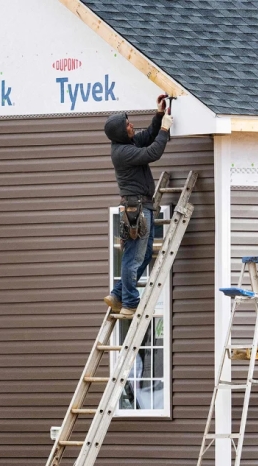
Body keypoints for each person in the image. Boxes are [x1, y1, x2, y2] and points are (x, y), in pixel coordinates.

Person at [102, 96, 173, 315]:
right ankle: (130, 304)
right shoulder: (123, 152)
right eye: (127, 125)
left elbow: (148, 136)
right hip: (137, 208)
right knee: (133, 258)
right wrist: (164, 130)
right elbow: (153, 152)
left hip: (142, 206)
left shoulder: (127, 143)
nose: (131, 125)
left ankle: (118, 294)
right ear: (121, 132)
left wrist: (159, 115)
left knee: (142, 255)